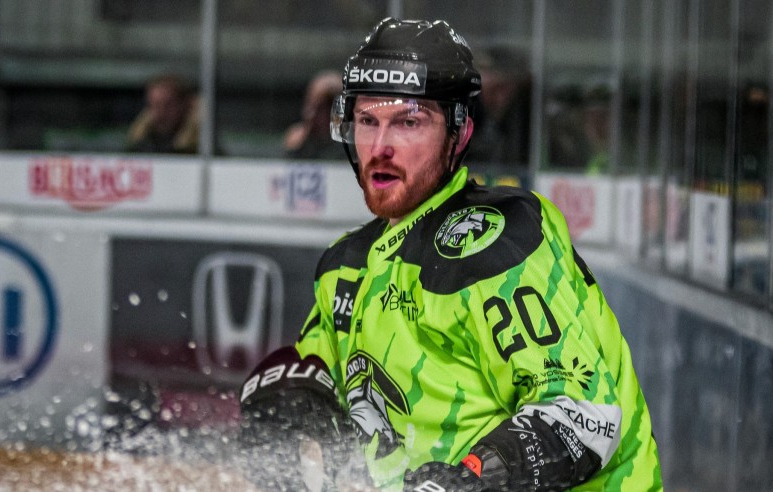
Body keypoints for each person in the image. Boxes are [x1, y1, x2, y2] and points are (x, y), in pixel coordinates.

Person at [238, 18, 662, 492]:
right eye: (368, 121)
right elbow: (318, 374)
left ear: (458, 136)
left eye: (409, 122)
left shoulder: (499, 244)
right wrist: (288, 391)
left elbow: (585, 418)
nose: (381, 147)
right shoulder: (345, 265)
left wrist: (471, 480)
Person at [464, 45, 532, 168]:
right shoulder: (465, 113)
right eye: (492, 91)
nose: (500, 98)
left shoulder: (528, 119)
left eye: (504, 89)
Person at [125, 74, 199, 154]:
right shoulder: (141, 142)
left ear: (185, 104)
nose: (160, 113)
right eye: (154, 105)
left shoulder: (202, 145)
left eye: (168, 105)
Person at [282, 70, 345, 160]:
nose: (309, 114)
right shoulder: (297, 143)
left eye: (320, 108)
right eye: (310, 105)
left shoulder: (353, 147)